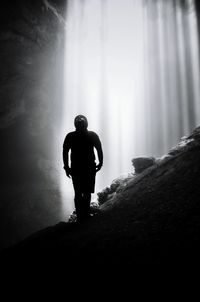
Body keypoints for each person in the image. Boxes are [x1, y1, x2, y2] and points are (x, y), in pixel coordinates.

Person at [63, 115, 103, 222]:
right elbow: (99, 149)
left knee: (78, 192)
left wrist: (66, 167)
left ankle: (81, 215)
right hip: (89, 167)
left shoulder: (70, 136)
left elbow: (65, 152)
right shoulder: (92, 135)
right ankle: (85, 214)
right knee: (86, 191)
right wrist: (100, 162)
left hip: (77, 168)